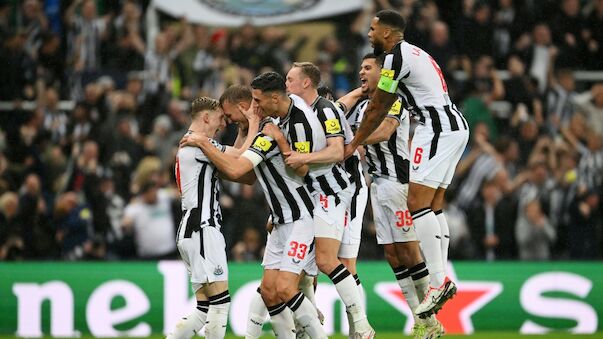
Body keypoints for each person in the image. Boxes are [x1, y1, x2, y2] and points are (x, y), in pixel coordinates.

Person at [345, 10, 469, 318]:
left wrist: (355, 141)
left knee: (417, 203)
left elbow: (378, 107)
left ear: (387, 33)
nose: (369, 33)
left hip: (436, 128)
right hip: (452, 126)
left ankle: (438, 282)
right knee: (434, 205)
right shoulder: (415, 53)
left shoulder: (394, 59)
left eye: (373, 29)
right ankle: (441, 280)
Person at [180, 83, 326, 339]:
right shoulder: (258, 133)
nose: (227, 122)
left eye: (229, 116)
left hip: (300, 216)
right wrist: (239, 131)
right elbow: (246, 177)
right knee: (270, 293)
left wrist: (205, 143)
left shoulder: (268, 133)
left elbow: (237, 170)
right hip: (280, 221)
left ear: (243, 108)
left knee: (285, 290)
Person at [339, 53, 443, 338]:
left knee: (409, 250)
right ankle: (418, 319)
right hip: (378, 185)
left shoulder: (394, 98)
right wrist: (359, 93)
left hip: (399, 183)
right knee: (392, 254)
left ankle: (430, 320)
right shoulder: (363, 106)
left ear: (384, 73)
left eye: (368, 67)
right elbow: (334, 114)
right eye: (360, 67)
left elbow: (385, 131)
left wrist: (351, 141)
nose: (361, 71)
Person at [284, 61, 369, 335]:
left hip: (337, 192)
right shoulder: (298, 114)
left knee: (334, 262)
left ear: (306, 83)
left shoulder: (325, 110)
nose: (286, 85)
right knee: (305, 267)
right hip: (310, 196)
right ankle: (308, 322)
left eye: (290, 79)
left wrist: (302, 157)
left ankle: (360, 324)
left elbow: (336, 151)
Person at [167, 97, 255, 339]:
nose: (222, 124)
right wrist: (254, 122)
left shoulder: (198, 145)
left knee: (204, 308)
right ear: (205, 117)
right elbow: (244, 156)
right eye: (219, 118)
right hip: (203, 227)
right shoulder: (198, 145)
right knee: (220, 303)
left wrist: (242, 129)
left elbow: (233, 163)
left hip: (191, 229)